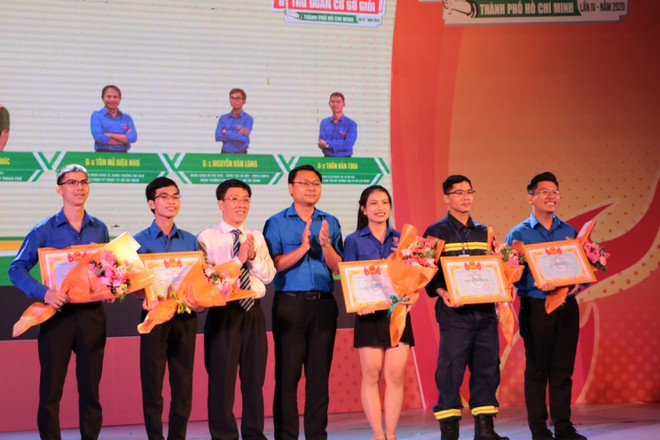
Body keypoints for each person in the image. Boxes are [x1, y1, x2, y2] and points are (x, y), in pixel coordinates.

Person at [8, 164, 110, 440]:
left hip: (92, 316)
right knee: (51, 390)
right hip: (57, 317)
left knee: (91, 390)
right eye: (72, 182)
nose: (79, 187)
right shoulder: (43, 230)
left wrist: (112, 287)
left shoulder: (100, 228)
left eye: (84, 182)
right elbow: (16, 269)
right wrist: (44, 292)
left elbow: (107, 269)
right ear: (59, 189)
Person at [423, 175, 509, 440]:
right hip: (454, 314)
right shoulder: (435, 232)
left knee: (487, 368)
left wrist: (505, 283)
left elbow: (497, 267)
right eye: (458, 192)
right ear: (446, 198)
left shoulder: (484, 232)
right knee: (450, 371)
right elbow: (425, 272)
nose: (465, 197)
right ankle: (449, 432)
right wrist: (442, 292)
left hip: (484, 313)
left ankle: (485, 430)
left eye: (469, 191)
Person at [263, 164, 344, 440]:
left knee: (319, 377)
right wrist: (304, 248)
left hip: (324, 305)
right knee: (287, 376)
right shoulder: (276, 222)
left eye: (316, 183)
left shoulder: (330, 221)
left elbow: (338, 267)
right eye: (304, 183)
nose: (311, 188)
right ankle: (286, 436)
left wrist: (326, 245)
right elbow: (273, 265)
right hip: (290, 306)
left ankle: (316, 435)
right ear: (291, 188)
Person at [505, 172, 587, 440]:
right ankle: (539, 430)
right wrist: (537, 282)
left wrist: (577, 284)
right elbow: (510, 275)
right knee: (538, 369)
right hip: (537, 308)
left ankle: (564, 426)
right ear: (531, 197)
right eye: (544, 192)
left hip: (567, 307)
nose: (551, 196)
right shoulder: (519, 234)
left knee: (563, 370)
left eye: (555, 191)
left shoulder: (569, 231)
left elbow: (581, 268)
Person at [196, 179, 276, 440]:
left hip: (253, 312)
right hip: (223, 313)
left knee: (254, 382)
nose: (241, 204)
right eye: (234, 199)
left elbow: (268, 276)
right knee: (221, 382)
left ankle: (254, 434)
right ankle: (223, 436)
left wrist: (252, 257)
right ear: (221, 204)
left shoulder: (257, 236)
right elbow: (207, 280)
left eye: (245, 199)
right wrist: (237, 260)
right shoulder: (206, 238)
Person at [133, 176, 200, 440]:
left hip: (185, 317)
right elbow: (129, 282)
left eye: (175, 196)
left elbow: (199, 280)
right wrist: (144, 295)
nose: (171, 201)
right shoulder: (137, 242)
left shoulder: (191, 241)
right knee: (152, 384)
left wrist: (198, 299)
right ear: (151, 203)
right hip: (154, 317)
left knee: (182, 384)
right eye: (164, 197)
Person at [343, 185, 411, 440]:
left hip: (398, 313)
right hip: (367, 314)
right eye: (373, 203)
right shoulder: (353, 240)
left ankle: (390, 434)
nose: (380, 207)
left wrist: (412, 296)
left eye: (384, 202)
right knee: (371, 374)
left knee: (395, 376)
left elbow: (413, 274)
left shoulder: (403, 238)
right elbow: (350, 277)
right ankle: (377, 434)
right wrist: (360, 302)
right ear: (363, 209)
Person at [90, 84, 137, 152]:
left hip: (123, 156)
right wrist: (123, 139)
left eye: (115, 97)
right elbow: (99, 137)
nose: (112, 100)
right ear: (102, 98)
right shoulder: (97, 116)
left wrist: (110, 135)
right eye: (108, 96)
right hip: (102, 155)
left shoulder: (127, 118)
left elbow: (133, 137)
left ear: (120, 99)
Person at [317, 92, 357, 157]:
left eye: (338, 102)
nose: (335, 104)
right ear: (329, 104)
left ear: (343, 104)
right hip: (327, 160)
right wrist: (341, 143)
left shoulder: (351, 124)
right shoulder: (324, 123)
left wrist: (328, 144)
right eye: (332, 102)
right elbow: (321, 143)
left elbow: (348, 144)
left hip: (346, 160)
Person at [215, 88, 253, 154]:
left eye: (238, 98)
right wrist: (237, 134)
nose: (235, 101)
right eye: (232, 98)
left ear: (244, 101)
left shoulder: (248, 119)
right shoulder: (223, 118)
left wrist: (226, 132)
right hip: (225, 153)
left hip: (241, 154)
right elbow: (218, 137)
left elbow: (243, 138)